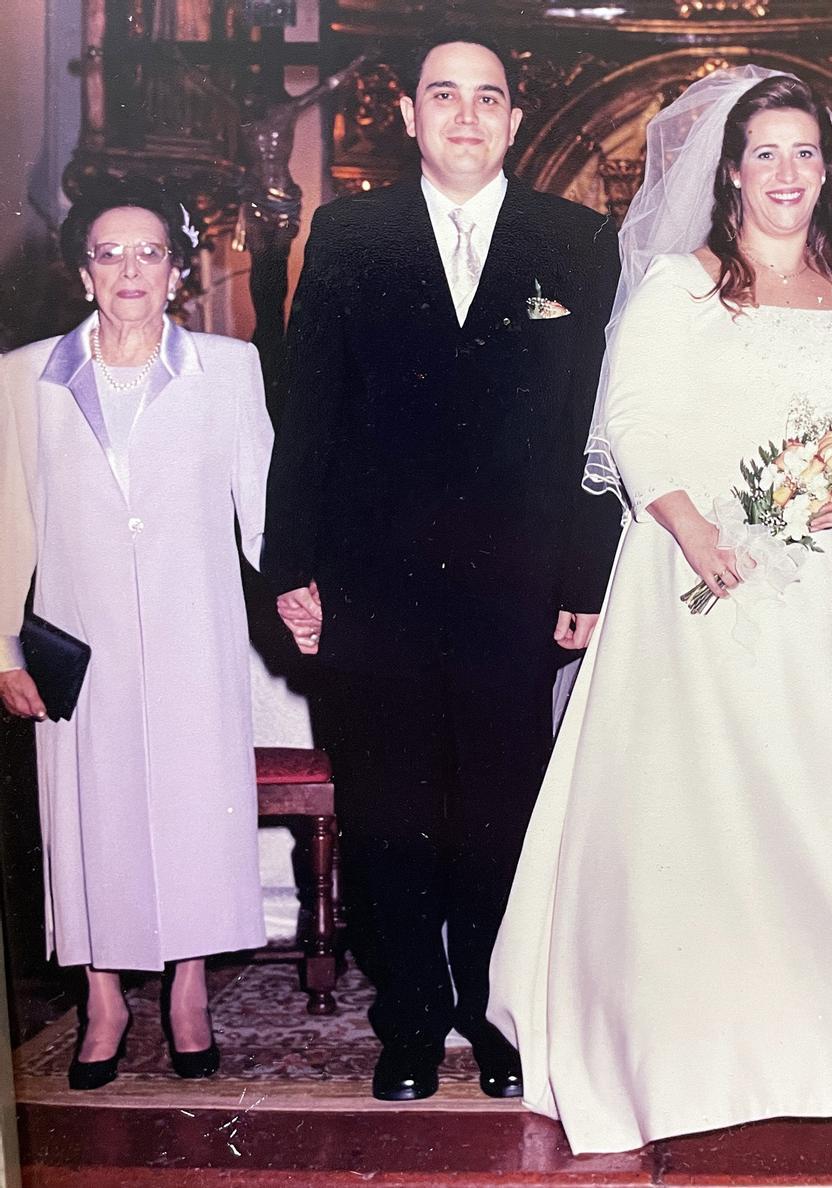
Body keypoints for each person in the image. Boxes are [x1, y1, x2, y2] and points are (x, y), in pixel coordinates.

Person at [486, 68, 832, 1156]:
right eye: (767, 155)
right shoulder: (681, 281)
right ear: (732, 173)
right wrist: (696, 531)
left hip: (828, 590)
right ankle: (690, 1054)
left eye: (807, 154)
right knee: (702, 813)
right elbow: (630, 419)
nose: (788, 174)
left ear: (826, 174)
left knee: (823, 804)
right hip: (697, 583)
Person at [262, 30, 621, 1102]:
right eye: (443, 95)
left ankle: (494, 1013)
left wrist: (584, 578)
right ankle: (410, 1020)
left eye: (489, 98)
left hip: (517, 588)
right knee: (389, 812)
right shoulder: (349, 233)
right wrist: (292, 566)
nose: (467, 115)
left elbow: (593, 428)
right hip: (375, 585)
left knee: (501, 813)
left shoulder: (577, 240)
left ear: (515, 121)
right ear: (408, 116)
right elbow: (309, 413)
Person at [0, 180, 272, 1090]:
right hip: (81, 648)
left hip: (198, 636)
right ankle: (104, 998)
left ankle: (188, 992)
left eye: (148, 253)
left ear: (177, 271)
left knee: (195, 811)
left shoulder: (229, 371)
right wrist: (1, 650)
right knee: (89, 820)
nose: (129, 270)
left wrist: (304, 596)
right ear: (84, 272)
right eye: (110, 253)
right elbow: (9, 530)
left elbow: (264, 515)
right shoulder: (26, 377)